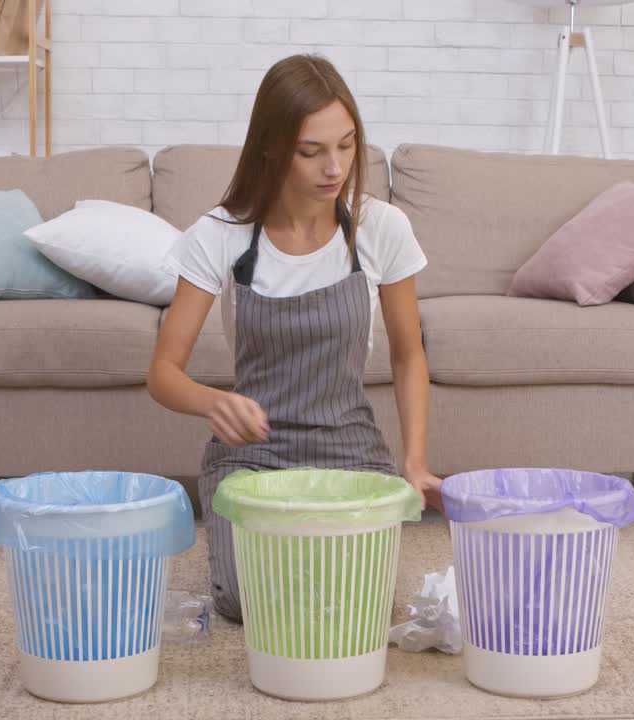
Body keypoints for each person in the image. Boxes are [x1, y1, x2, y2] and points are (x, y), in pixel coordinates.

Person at [148, 54, 441, 621]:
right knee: (249, 601)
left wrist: (414, 460)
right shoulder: (220, 235)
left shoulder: (380, 227)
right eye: (312, 151)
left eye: (347, 145)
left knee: (363, 601)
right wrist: (215, 402)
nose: (334, 167)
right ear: (272, 146)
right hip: (252, 459)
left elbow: (409, 355)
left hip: (349, 449)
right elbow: (162, 373)